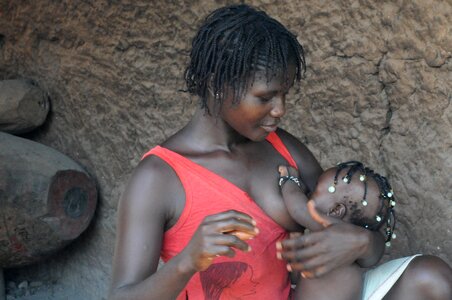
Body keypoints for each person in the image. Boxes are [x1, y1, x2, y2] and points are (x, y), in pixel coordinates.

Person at [109, 4, 452, 300]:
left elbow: (354, 243)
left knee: (430, 279)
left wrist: (362, 243)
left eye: (285, 94)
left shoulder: (284, 150)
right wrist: (187, 261)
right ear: (216, 83)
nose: (280, 110)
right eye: (266, 97)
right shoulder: (158, 177)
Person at [277, 161, 398, 300]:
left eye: (316, 188)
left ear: (335, 211)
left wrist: (289, 180)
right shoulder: (342, 250)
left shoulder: (329, 228)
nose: (309, 191)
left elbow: (299, 210)